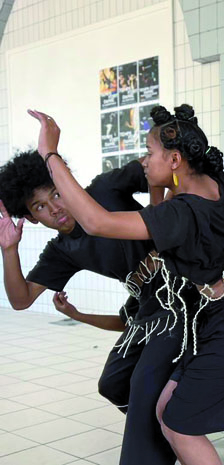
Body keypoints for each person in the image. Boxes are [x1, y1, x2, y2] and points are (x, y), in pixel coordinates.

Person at [28, 103, 224, 465]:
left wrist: (50, 154)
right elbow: (162, 206)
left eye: (149, 152)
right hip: (219, 310)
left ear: (173, 160)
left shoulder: (183, 212)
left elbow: (97, 221)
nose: (142, 160)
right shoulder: (210, 183)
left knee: (178, 423)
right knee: (167, 412)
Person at [0, 151, 179, 465]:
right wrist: (10, 249)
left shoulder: (104, 190)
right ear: (30, 218)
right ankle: (165, 426)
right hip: (148, 310)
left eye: (56, 193)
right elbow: (21, 299)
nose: (56, 208)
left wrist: (163, 202)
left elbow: (160, 170)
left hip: (183, 294)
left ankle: (161, 433)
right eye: (40, 206)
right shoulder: (62, 250)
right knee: (113, 383)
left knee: (143, 387)